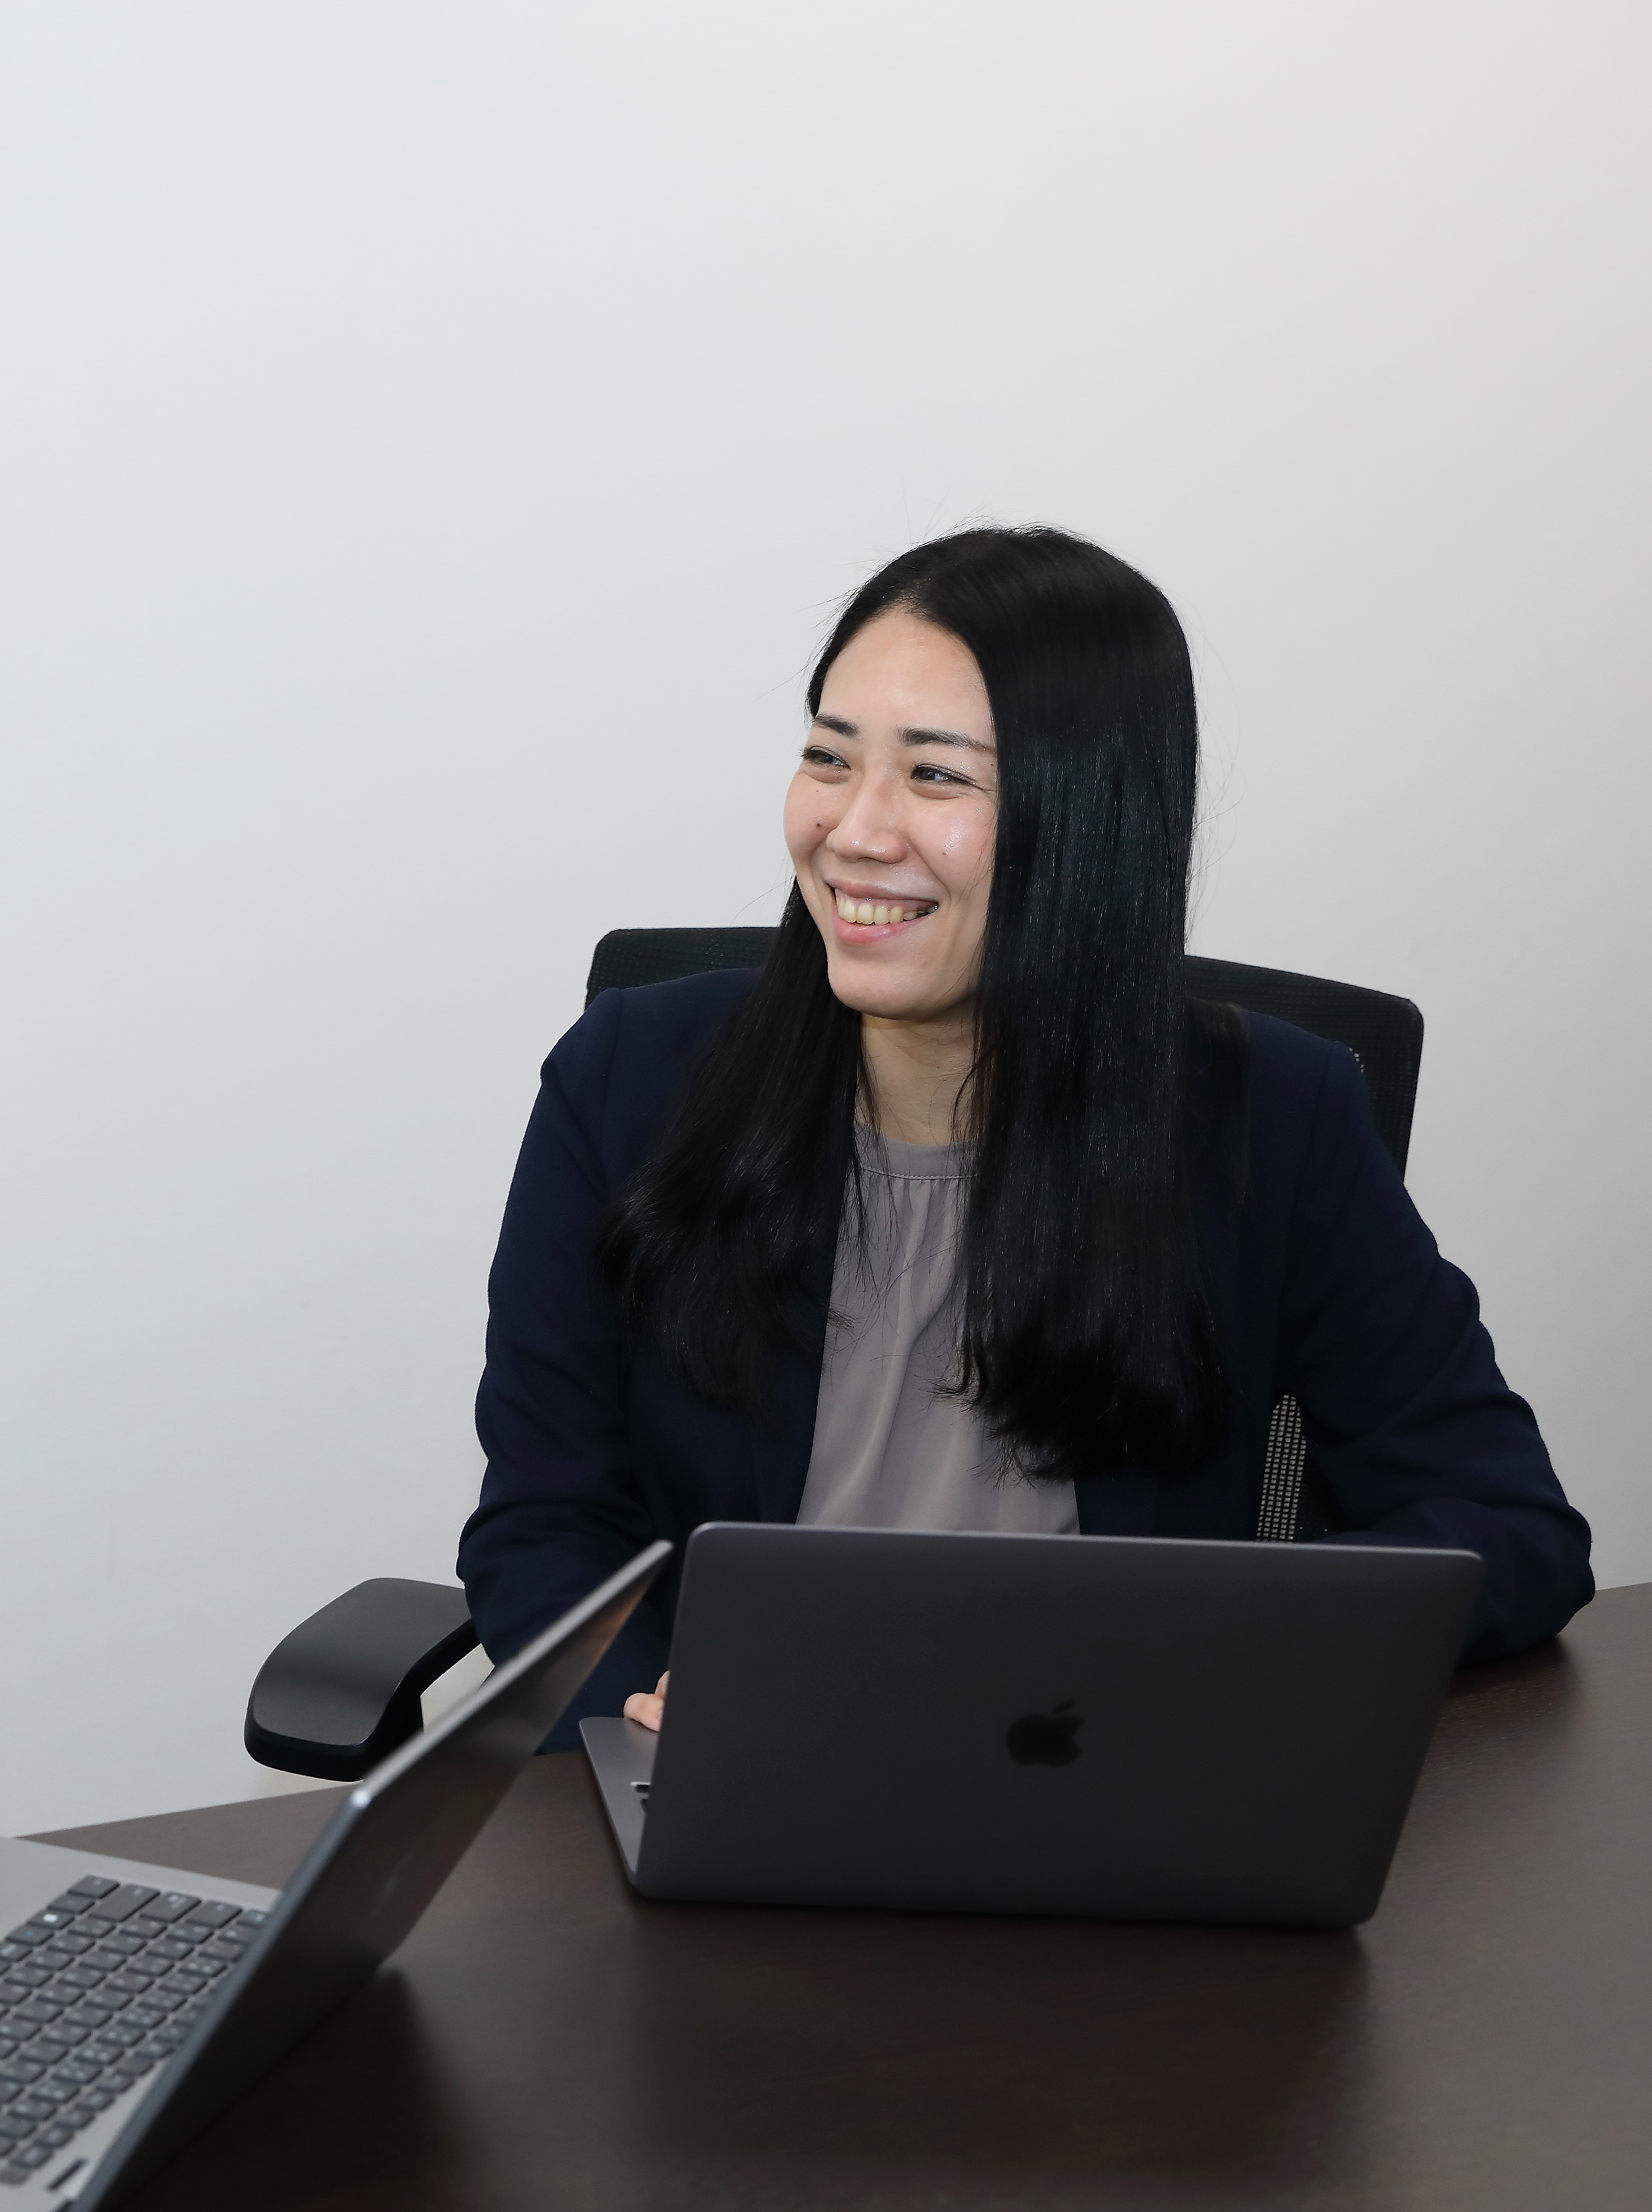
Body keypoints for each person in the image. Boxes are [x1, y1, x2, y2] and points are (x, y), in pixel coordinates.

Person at [455, 527, 1589, 1741]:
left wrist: (1186, 1665)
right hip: (725, 1779)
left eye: (935, 777)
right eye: (829, 758)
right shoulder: (627, 1079)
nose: (856, 830)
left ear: (1090, 819)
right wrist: (652, 1716)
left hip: (1095, 1787)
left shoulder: (1273, 1118)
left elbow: (1506, 1526)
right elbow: (544, 1528)